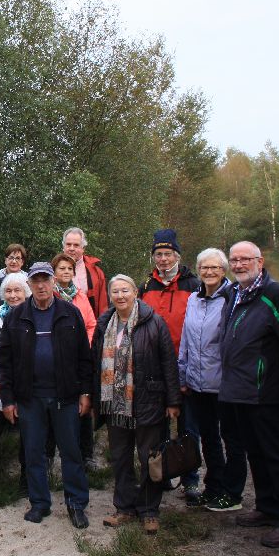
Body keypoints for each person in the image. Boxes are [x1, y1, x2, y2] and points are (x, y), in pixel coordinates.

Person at [219, 241, 279, 548]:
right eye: (235, 260)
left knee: (277, 455)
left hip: (267, 392)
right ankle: (267, 507)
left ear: (260, 261)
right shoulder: (234, 292)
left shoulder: (276, 295)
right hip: (238, 390)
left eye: (245, 260)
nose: (239, 265)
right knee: (254, 451)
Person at [0, 262, 92, 529]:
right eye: (36, 280)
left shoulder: (70, 313)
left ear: (53, 283)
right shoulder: (15, 317)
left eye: (45, 280)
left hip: (65, 395)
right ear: (29, 285)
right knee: (34, 452)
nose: (40, 285)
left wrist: (85, 392)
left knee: (71, 452)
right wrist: (8, 399)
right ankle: (40, 503)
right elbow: (5, 361)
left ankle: (76, 503)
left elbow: (84, 358)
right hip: (30, 398)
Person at [95, 275, 181, 536]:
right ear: (110, 296)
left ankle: (149, 510)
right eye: (115, 291)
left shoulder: (153, 322)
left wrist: (173, 400)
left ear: (135, 293)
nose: (120, 296)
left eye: (125, 290)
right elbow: (93, 360)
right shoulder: (105, 323)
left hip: (147, 401)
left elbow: (168, 361)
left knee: (148, 458)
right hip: (115, 404)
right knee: (120, 458)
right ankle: (124, 507)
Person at [178, 248, 245, 512]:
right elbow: (185, 338)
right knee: (208, 438)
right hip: (197, 382)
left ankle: (233, 492)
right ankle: (214, 486)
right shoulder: (194, 299)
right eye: (204, 267)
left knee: (232, 439)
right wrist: (182, 373)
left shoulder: (234, 298)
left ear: (224, 270)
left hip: (224, 383)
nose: (209, 272)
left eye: (215, 267)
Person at [137, 229, 201, 499]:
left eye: (167, 254)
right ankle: (160, 474)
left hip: (184, 366)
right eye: (158, 254)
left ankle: (191, 480)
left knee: (188, 426)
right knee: (157, 426)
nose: (163, 259)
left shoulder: (193, 285)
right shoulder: (146, 287)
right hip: (154, 369)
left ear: (177, 255)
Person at [51, 252, 100, 471]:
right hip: (53, 359)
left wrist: (85, 345)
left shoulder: (80, 296)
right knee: (51, 408)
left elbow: (91, 324)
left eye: (69, 269)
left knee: (82, 406)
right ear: (54, 272)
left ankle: (86, 455)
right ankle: (49, 456)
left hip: (77, 358)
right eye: (61, 268)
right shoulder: (49, 295)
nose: (66, 272)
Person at [0, 272, 31, 475]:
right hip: (2, 385)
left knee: (28, 432)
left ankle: (26, 476)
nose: (13, 295)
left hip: (28, 386)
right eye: (8, 291)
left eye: (17, 290)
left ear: (26, 293)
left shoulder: (33, 315)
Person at [62, 227, 108, 317]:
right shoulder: (52, 269)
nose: (71, 248)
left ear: (83, 248)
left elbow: (103, 305)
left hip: (88, 323)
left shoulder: (96, 272)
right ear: (63, 247)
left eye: (76, 245)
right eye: (68, 244)